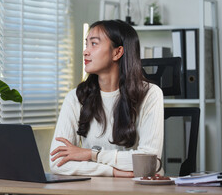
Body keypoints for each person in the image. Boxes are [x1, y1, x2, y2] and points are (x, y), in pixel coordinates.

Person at [49, 20, 164, 177]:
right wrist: (113, 171)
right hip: (95, 188)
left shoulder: (151, 94)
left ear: (117, 52)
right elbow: (57, 162)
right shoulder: (76, 97)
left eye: (94, 44)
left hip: (139, 189)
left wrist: (91, 154)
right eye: (86, 44)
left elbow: (149, 162)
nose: (85, 51)